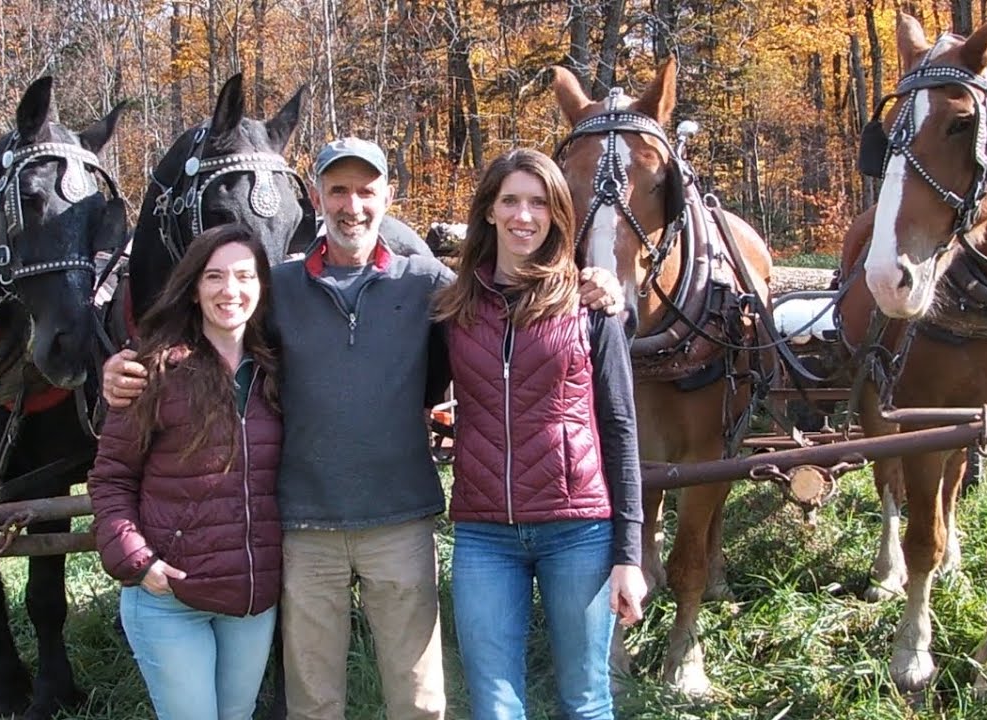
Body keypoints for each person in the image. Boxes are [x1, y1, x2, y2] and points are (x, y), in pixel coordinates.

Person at [102, 137, 625, 720]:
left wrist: (597, 284)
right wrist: (129, 363)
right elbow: (215, 325)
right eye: (338, 191)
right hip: (305, 526)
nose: (352, 206)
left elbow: (511, 311)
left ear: (387, 197)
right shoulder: (278, 287)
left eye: (366, 191)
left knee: (419, 702)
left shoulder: (428, 283)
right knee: (313, 704)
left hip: (400, 521)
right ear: (316, 199)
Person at [434, 148, 647, 720]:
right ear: (489, 211)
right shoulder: (456, 310)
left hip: (577, 530)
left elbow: (621, 428)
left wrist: (628, 554)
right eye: (510, 201)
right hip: (484, 534)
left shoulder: (590, 305)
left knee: (586, 699)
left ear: (557, 214)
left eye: (538, 203)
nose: (523, 216)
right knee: (494, 705)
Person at [88, 223, 284, 720]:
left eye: (244, 276)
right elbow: (111, 478)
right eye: (214, 276)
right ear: (194, 289)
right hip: (170, 596)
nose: (230, 290)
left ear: (262, 286)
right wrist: (137, 561)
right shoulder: (153, 371)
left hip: (249, 597)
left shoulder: (278, 372)